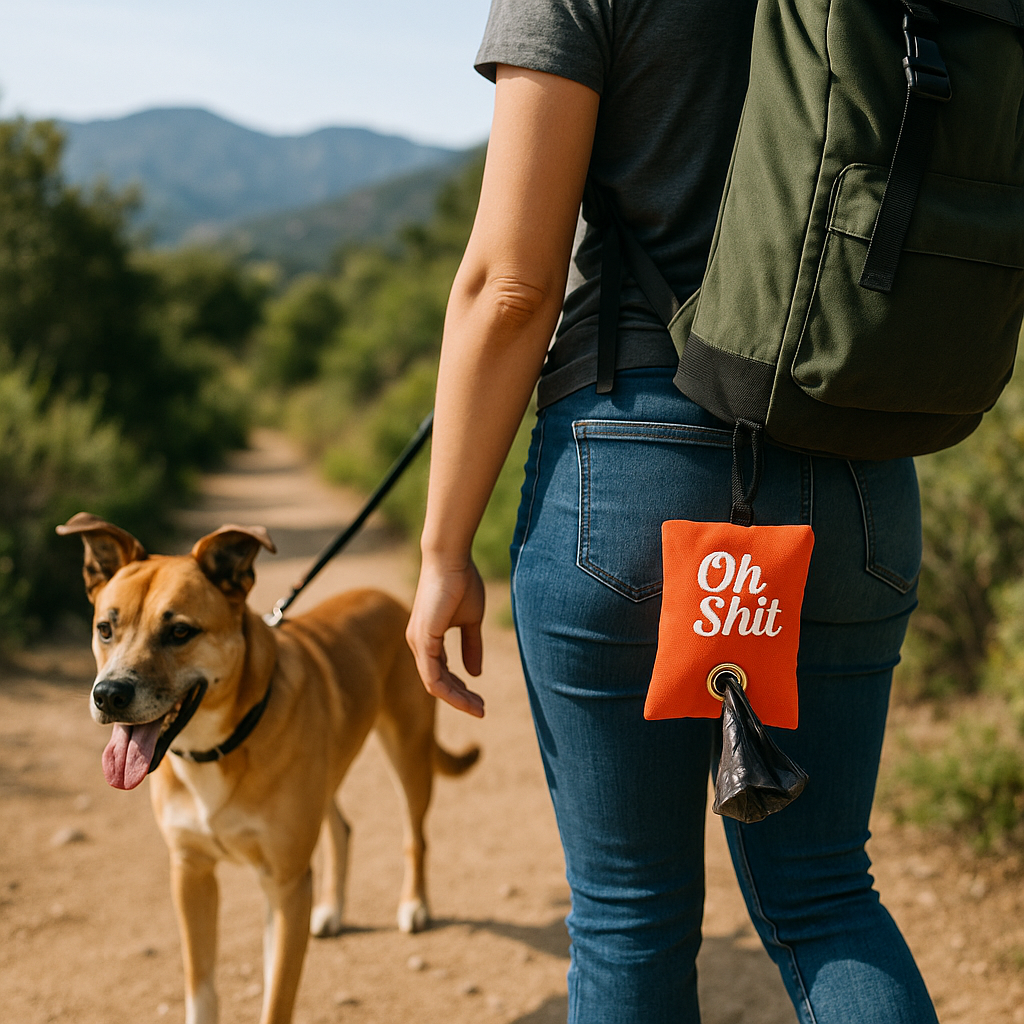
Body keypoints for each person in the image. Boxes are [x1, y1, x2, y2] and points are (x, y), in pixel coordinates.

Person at [405, 1, 938, 1021]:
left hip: (632, 459)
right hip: (857, 470)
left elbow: (511, 286)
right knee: (826, 893)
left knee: (627, 912)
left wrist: (441, 551)